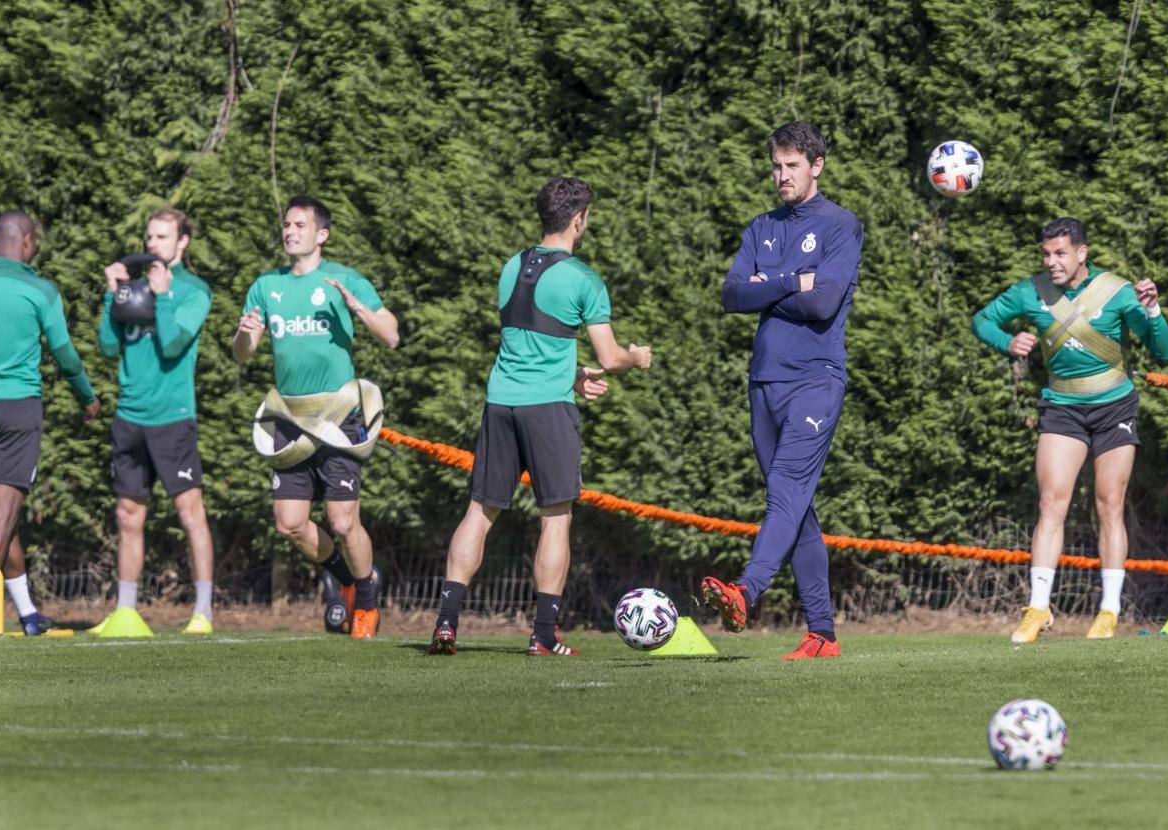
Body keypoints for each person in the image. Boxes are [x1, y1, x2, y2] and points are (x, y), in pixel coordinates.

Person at [428, 176, 652, 657]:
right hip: (547, 411)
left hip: (500, 403)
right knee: (555, 518)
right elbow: (610, 357)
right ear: (578, 220)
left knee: (480, 512)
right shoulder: (583, 278)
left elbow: (529, 343)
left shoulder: (512, 267)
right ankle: (544, 634)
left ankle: (446, 624)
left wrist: (573, 375)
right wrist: (636, 357)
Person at [699, 122, 864, 660]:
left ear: (817, 165)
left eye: (792, 166)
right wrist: (795, 281)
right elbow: (729, 295)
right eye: (776, 166)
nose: (781, 175)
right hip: (764, 380)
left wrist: (765, 290)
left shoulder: (841, 226)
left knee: (786, 491)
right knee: (797, 507)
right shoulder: (760, 227)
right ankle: (823, 635)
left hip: (816, 380)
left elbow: (823, 306)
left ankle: (746, 590)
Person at [972, 217, 1168, 642]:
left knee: (1109, 503)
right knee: (1051, 501)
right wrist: (1005, 342)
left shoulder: (1118, 292)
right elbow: (983, 321)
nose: (1051, 262)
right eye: (1046, 254)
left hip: (1114, 405)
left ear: (1082, 253)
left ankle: (1108, 612)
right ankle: (1037, 609)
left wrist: (1153, 310)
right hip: (1062, 407)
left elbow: (1162, 350)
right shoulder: (1030, 292)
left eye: (1060, 253)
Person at [232, 195, 400, 639]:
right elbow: (241, 355)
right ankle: (345, 578)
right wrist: (246, 337)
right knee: (289, 523)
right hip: (289, 416)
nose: (290, 231)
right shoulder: (266, 286)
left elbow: (392, 336)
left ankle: (365, 600)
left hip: (341, 413)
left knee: (344, 521)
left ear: (321, 234)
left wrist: (360, 309)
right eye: (287, 224)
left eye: (300, 225)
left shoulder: (344, 280)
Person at [90, 208, 216, 635]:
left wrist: (162, 297)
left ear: (182, 242)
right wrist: (113, 294)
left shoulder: (194, 291)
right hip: (130, 415)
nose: (153, 244)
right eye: (150, 236)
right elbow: (109, 348)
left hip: (172, 418)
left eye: (163, 237)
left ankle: (202, 612)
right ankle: (125, 612)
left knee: (189, 511)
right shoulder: (133, 288)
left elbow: (175, 344)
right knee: (128, 513)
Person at [0, 211, 100, 636]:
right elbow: (65, 356)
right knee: (2, 512)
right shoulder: (40, 289)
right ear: (26, 241)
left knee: (1, 516)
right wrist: (88, 398)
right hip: (16, 409)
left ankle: (28, 614)